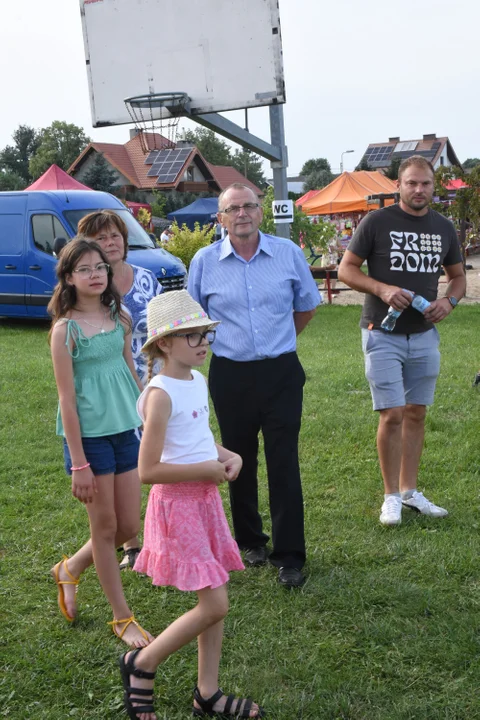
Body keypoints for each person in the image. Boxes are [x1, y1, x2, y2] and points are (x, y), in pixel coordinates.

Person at [119, 289, 264, 720]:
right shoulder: (160, 393)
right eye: (192, 336)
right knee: (215, 603)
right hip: (178, 507)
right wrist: (204, 470)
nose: (203, 343)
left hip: (204, 501)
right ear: (164, 344)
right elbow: (148, 470)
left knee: (215, 592)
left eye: (206, 334)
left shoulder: (197, 381)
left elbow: (196, 439)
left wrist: (226, 455)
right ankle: (141, 663)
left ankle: (208, 692)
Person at [188, 183, 320, 588]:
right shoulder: (204, 261)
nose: (242, 213)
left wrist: (278, 343)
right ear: (220, 218)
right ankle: (250, 542)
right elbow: (194, 318)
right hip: (231, 375)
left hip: (280, 372)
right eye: (233, 208)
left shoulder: (288, 254)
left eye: (249, 206)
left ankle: (290, 556)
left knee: (284, 463)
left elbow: (307, 305)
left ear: (261, 212)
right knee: (236, 461)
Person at [338, 155, 466, 526]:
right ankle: (390, 496)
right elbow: (347, 268)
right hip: (382, 331)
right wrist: (382, 288)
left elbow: (457, 277)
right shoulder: (376, 222)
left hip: (424, 335)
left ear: (432, 186)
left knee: (417, 412)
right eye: (411, 183)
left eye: (425, 183)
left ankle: (410, 491)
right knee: (392, 413)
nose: (418, 190)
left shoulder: (443, 228)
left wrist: (449, 301)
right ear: (398, 185)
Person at [49, 237, 153, 648]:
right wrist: (78, 463)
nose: (95, 274)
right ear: (69, 278)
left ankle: (70, 567)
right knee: (106, 528)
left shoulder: (119, 316)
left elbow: (132, 373)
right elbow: (67, 400)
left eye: (99, 267)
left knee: (128, 525)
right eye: (84, 269)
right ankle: (122, 617)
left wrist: (153, 412)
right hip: (89, 442)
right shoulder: (65, 331)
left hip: (125, 430)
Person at [78, 210, 163, 570]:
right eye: (101, 238)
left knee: (156, 460)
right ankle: (131, 545)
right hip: (114, 390)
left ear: (125, 241)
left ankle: (156, 535)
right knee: (123, 465)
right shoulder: (89, 288)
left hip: (155, 383)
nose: (110, 243)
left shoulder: (146, 278)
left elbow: (163, 328)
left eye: (115, 235)